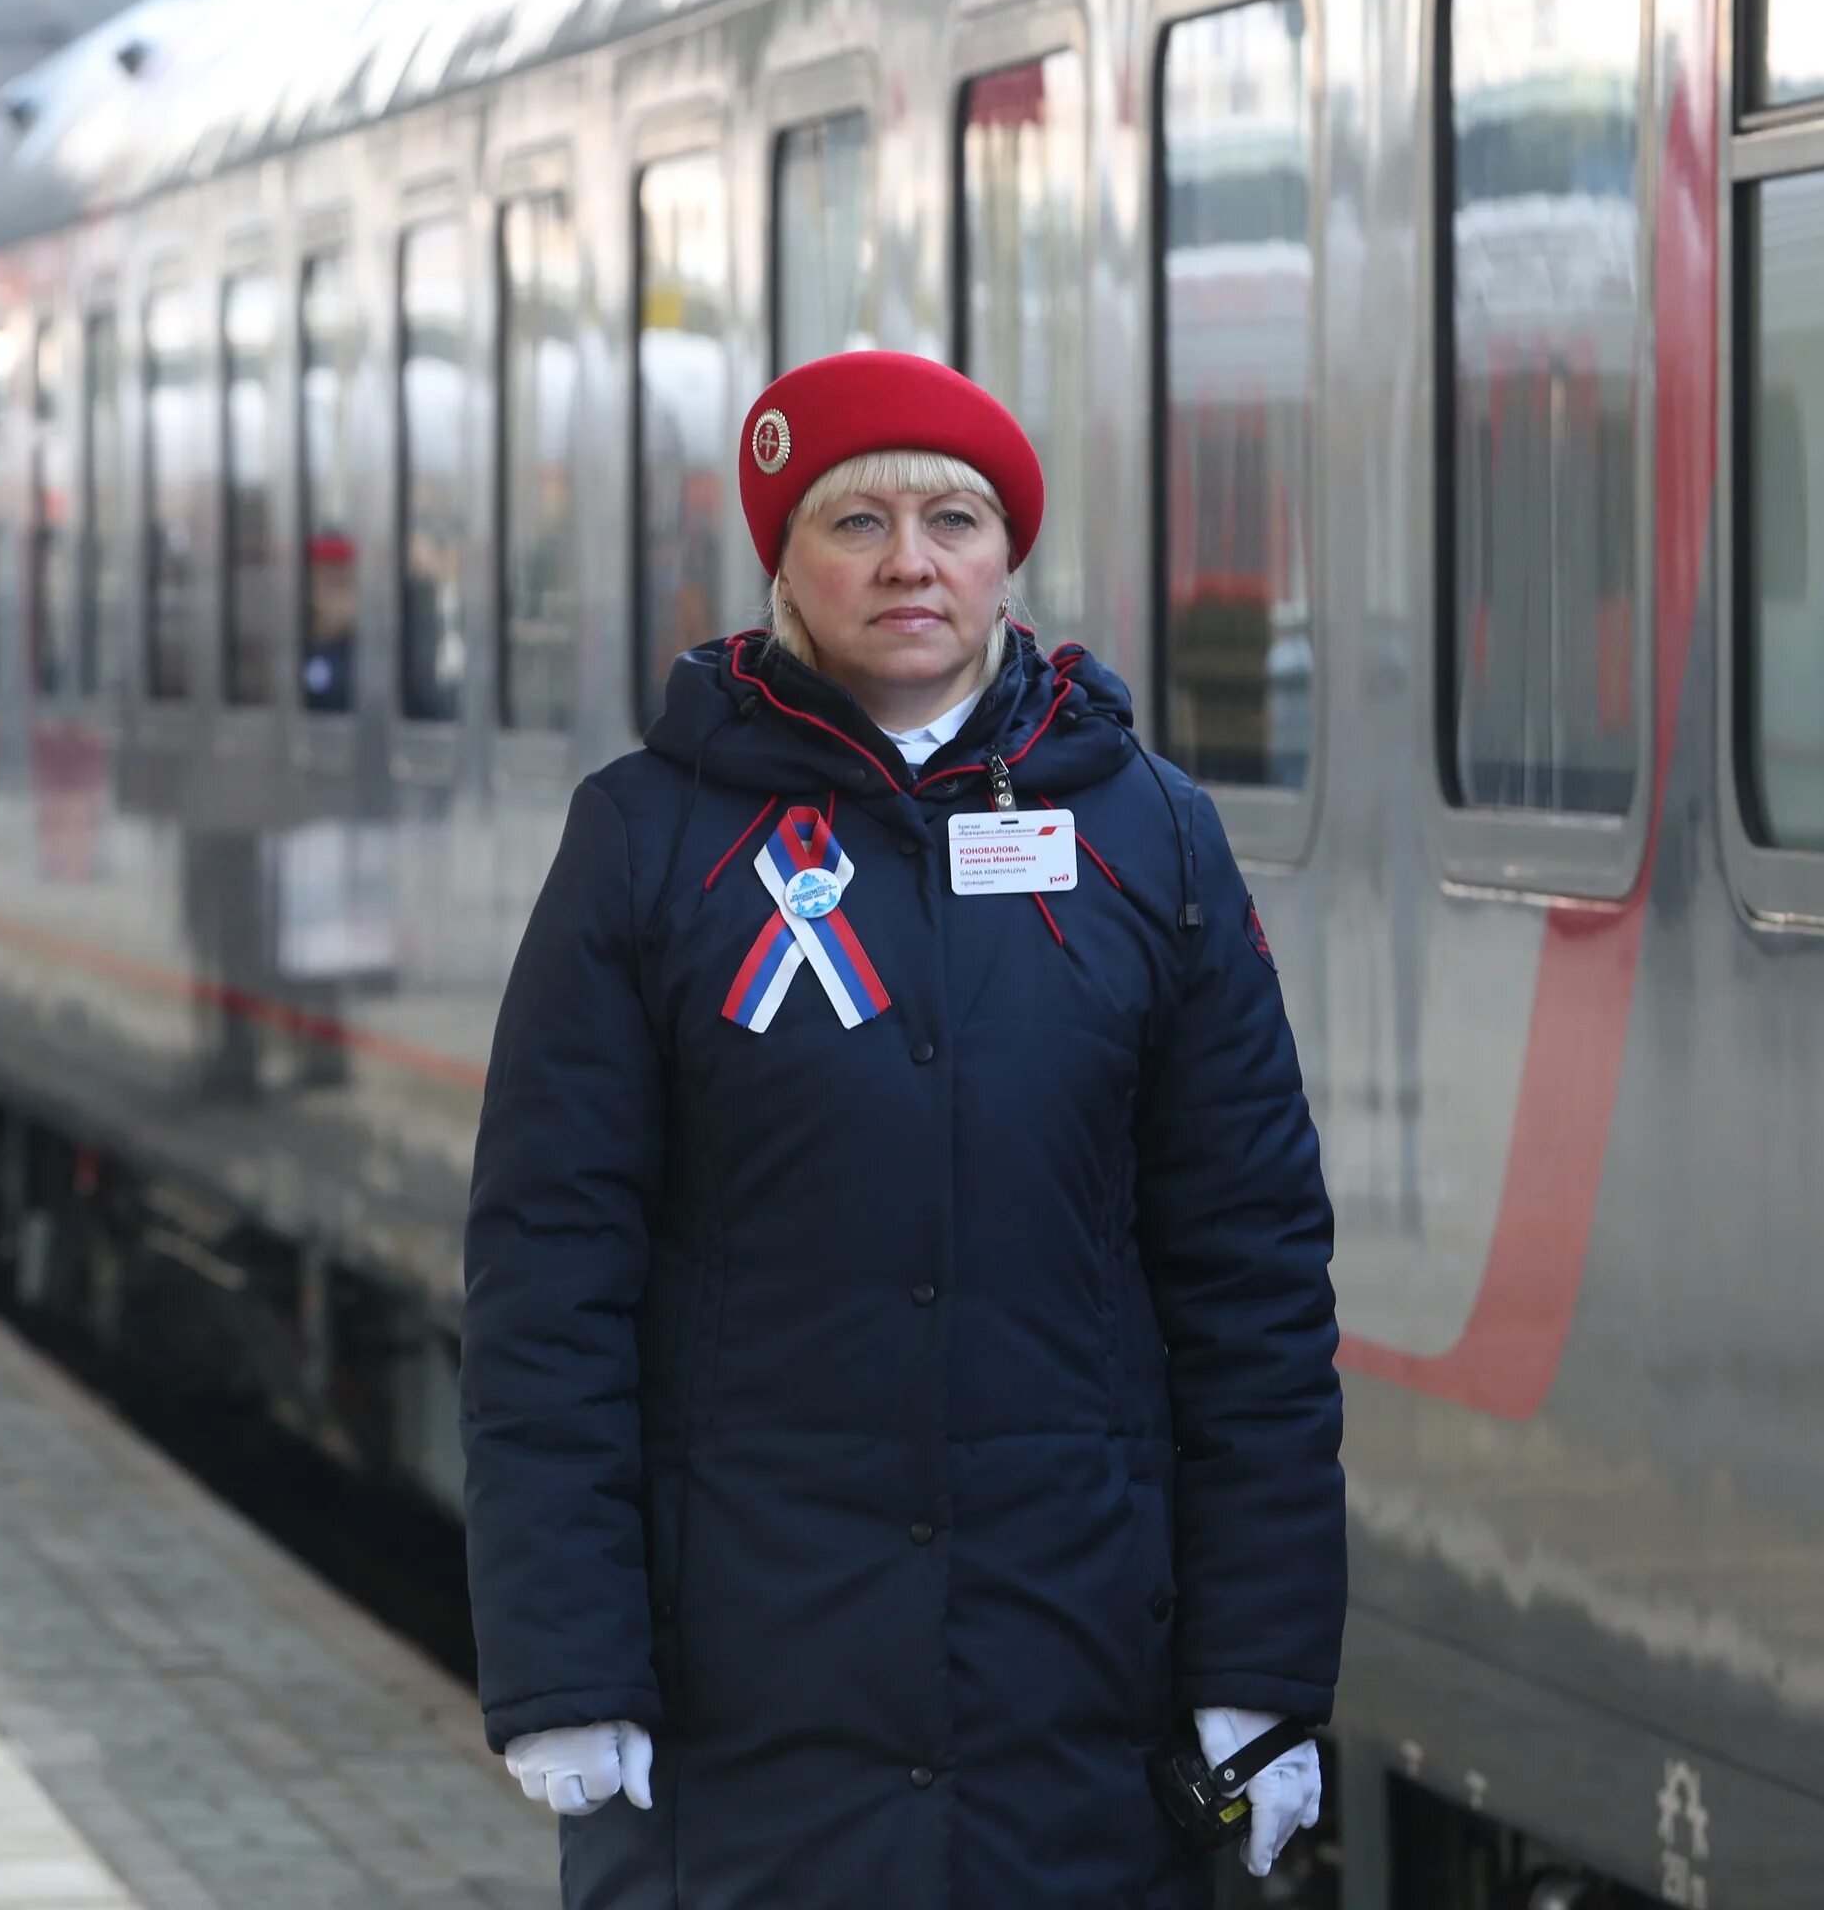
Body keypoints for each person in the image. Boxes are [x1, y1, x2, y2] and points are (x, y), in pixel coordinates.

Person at [461, 350, 1344, 1909]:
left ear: (1011, 559)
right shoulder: (649, 841)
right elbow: (549, 1278)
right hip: (738, 1710)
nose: (910, 560)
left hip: (1070, 1699)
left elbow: (1251, 1282)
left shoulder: (1152, 841)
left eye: (954, 518)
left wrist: (1261, 1667)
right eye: (854, 522)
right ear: (783, 560)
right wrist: (560, 1664)